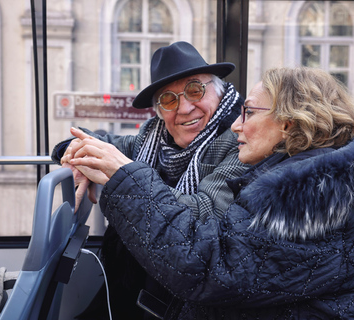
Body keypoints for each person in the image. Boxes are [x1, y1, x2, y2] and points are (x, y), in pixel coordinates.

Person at [67, 66, 354, 319]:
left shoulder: (309, 200)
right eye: (169, 100)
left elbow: (203, 267)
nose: (235, 125)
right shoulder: (295, 178)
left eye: (247, 112)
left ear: (289, 122)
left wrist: (125, 178)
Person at [52, 41, 248, 319]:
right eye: (169, 99)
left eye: (195, 90)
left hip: (186, 298)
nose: (184, 108)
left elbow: (204, 212)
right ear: (158, 109)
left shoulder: (240, 141)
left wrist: (125, 176)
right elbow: (106, 143)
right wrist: (73, 149)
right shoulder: (155, 138)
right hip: (137, 283)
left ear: (218, 91)